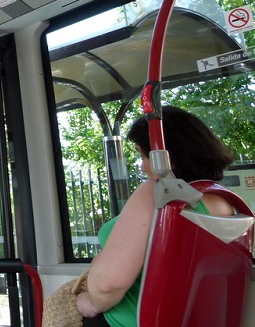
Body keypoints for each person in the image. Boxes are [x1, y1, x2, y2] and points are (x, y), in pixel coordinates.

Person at [75, 106, 235, 326]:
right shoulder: (223, 202)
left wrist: (90, 303)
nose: (142, 168)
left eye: (144, 156)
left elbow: (109, 284)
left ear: (167, 158)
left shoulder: (157, 194)